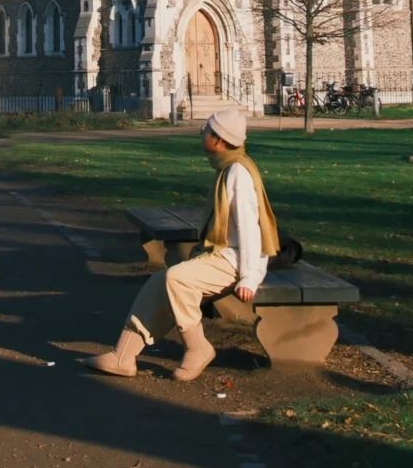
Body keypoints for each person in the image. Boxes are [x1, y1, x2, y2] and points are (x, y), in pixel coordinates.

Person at [83, 103, 280, 382]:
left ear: (221, 140)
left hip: (235, 260)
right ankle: (123, 356)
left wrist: (250, 277)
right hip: (220, 254)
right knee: (157, 283)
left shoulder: (238, 173)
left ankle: (197, 348)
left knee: (177, 279)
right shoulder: (226, 168)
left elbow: (250, 228)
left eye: (207, 130)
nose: (202, 134)